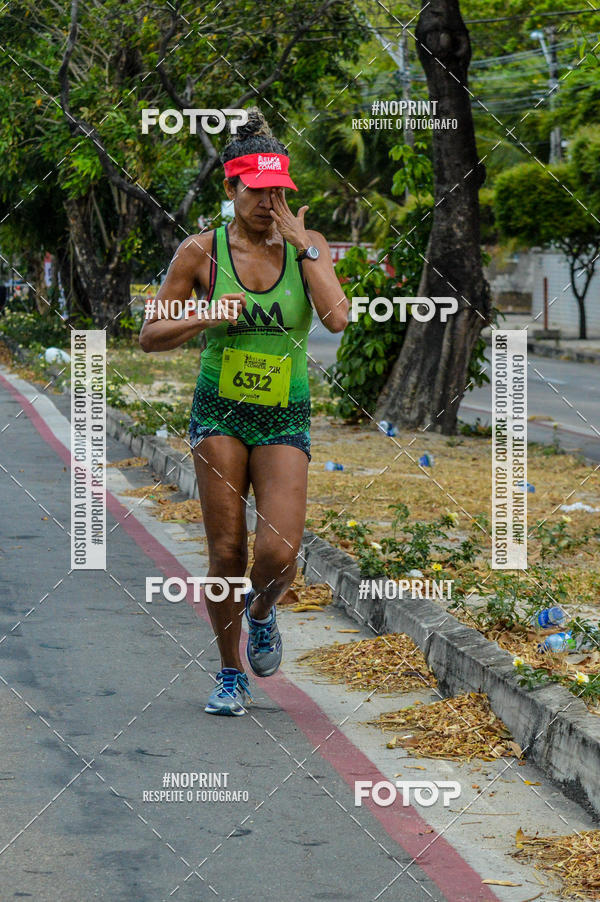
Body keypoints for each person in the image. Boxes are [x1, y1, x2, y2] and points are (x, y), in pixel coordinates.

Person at [139, 107, 348, 716]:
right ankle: (230, 672)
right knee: (227, 552)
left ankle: (262, 611)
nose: (266, 204)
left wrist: (305, 248)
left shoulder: (308, 246)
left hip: (284, 412)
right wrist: (208, 314)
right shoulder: (199, 252)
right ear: (231, 189)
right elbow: (150, 335)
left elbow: (337, 318)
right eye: (255, 192)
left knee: (279, 551)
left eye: (277, 192)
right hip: (220, 411)